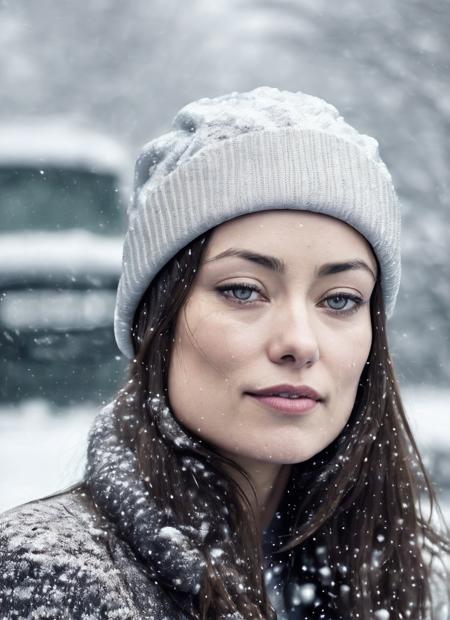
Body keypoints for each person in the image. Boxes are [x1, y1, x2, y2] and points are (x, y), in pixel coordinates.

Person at [0, 87, 448, 620]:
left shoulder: (401, 576)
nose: (300, 343)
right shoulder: (51, 576)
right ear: (156, 320)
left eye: (341, 299)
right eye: (243, 290)